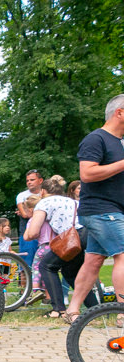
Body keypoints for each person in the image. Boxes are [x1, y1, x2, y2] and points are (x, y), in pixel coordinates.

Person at [64, 94, 124, 321]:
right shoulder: (96, 139)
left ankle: (72, 310)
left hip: (111, 210)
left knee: (94, 261)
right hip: (101, 211)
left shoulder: (120, 143)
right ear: (119, 112)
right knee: (123, 256)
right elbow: (87, 173)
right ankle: (122, 314)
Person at [26, 178, 98, 319]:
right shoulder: (72, 201)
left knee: (46, 266)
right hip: (89, 235)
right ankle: (95, 309)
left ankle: (58, 309)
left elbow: (34, 231)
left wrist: (28, 236)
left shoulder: (44, 202)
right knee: (71, 272)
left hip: (72, 238)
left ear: (42, 191)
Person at [16, 169, 44, 266]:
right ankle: (26, 282)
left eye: (32, 180)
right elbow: (25, 214)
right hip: (27, 235)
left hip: (45, 236)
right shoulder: (21, 195)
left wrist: (29, 210)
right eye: (27, 180)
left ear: (40, 180)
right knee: (25, 266)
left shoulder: (45, 194)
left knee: (44, 266)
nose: (29, 182)